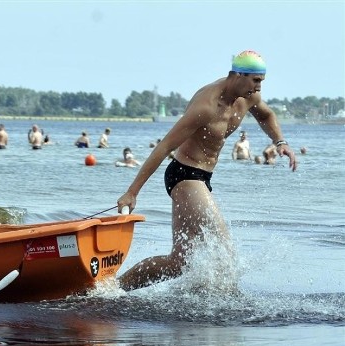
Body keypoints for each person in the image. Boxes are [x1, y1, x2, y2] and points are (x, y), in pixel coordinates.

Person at [116, 50, 297, 291]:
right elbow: (164, 146)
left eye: (261, 81)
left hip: (203, 178)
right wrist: (132, 192)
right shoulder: (207, 105)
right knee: (224, 249)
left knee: (179, 263)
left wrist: (280, 142)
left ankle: (114, 289)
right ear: (237, 74)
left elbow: (267, 115)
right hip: (185, 175)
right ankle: (228, 311)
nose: (259, 87)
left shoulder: (249, 97)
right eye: (256, 80)